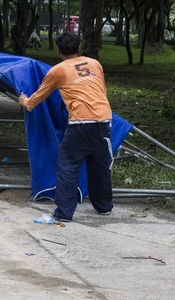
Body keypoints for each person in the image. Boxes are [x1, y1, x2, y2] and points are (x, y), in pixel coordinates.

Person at [19, 32, 113, 222]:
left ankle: (63, 213)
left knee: (68, 165)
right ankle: (104, 207)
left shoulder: (58, 70)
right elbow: (100, 90)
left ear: (58, 50)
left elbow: (39, 95)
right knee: (100, 165)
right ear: (79, 48)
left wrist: (25, 102)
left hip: (80, 123)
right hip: (104, 120)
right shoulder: (95, 64)